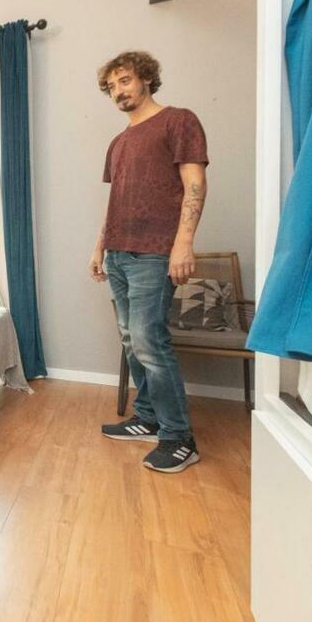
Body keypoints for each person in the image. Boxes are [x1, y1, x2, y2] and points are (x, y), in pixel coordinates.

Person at [89, 51, 209, 473]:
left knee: (148, 341)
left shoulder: (179, 121)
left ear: (145, 79)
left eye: (124, 81)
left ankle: (179, 438)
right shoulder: (118, 143)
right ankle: (148, 418)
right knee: (130, 339)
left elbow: (195, 184)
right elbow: (117, 199)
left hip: (155, 251)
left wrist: (183, 244)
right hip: (119, 253)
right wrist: (100, 246)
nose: (118, 91)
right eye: (111, 87)